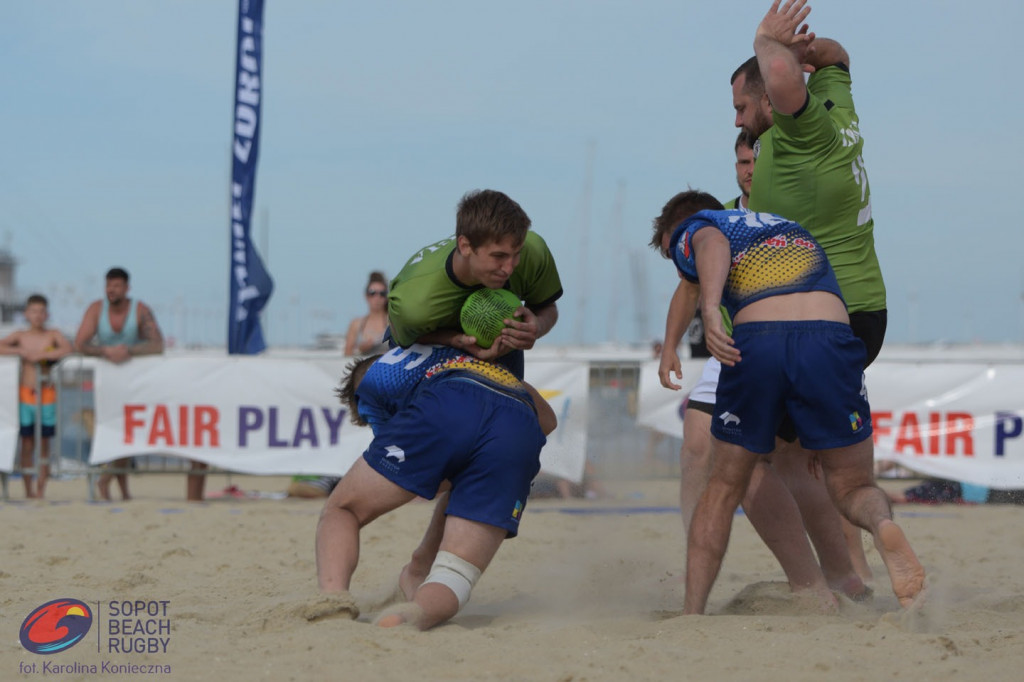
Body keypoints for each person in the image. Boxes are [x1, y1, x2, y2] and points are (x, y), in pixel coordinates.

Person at [652, 189, 924, 615]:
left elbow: (710, 247)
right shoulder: (787, 229)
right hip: (833, 338)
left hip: (761, 337)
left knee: (724, 486)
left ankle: (693, 612)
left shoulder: (702, 225)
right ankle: (882, 524)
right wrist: (671, 340)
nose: (680, 267)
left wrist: (708, 311)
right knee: (854, 486)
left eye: (674, 255)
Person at [731, 0, 887, 581]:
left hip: (822, 318)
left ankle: (817, 584)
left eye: (742, 107)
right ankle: (861, 567)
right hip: (865, 311)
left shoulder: (800, 130)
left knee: (747, 462)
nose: (739, 120)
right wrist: (810, 51)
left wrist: (769, 43)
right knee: (825, 466)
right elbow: (838, 57)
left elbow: (778, 78)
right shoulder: (839, 106)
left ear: (772, 100)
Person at [308, 343, 555, 630]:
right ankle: (412, 610)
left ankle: (333, 605)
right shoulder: (477, 362)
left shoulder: (371, 381)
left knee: (343, 510)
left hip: (450, 401)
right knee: (455, 574)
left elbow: (414, 472)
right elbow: (547, 421)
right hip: (518, 425)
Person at [387, 189, 562, 380]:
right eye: (499, 256)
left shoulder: (533, 251)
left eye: (517, 254)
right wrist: (455, 341)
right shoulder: (414, 303)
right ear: (465, 246)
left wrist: (536, 327)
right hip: (425, 345)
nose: (510, 268)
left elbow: (546, 307)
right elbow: (406, 336)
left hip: (500, 346)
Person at [73, 268, 193, 501]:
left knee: (129, 435)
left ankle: (113, 483)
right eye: (108, 285)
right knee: (113, 434)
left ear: (127, 288)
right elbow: (80, 343)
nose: (111, 290)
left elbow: (157, 344)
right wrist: (105, 351)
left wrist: (129, 351)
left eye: (116, 286)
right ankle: (111, 483)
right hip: (106, 382)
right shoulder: (97, 309)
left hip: (133, 381)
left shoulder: (140, 310)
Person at [0, 295, 73, 498]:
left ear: (47, 314)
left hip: (46, 394)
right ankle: (27, 489)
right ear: (26, 314)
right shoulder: (20, 336)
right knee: (27, 443)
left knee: (44, 444)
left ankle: (41, 489)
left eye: (41, 311)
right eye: (33, 311)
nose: (38, 316)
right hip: (26, 394)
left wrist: (42, 355)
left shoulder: (52, 334)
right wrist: (22, 351)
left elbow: (67, 348)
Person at [343, 271, 391, 356]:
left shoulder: (393, 322)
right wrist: (360, 349)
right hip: (364, 367)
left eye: (382, 294)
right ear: (366, 295)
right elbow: (347, 354)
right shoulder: (356, 324)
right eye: (373, 293)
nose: (377, 298)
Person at [722, 131, 756, 210]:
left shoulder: (788, 215)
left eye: (758, 162)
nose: (751, 171)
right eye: (744, 162)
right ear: (736, 167)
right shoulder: (719, 217)